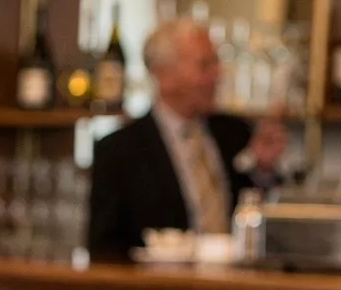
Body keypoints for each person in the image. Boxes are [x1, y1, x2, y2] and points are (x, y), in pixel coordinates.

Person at [86, 19, 288, 263]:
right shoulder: (119, 150)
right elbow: (103, 250)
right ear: (164, 75)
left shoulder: (236, 133)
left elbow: (269, 223)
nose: (218, 74)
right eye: (205, 65)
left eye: (216, 62)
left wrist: (263, 169)